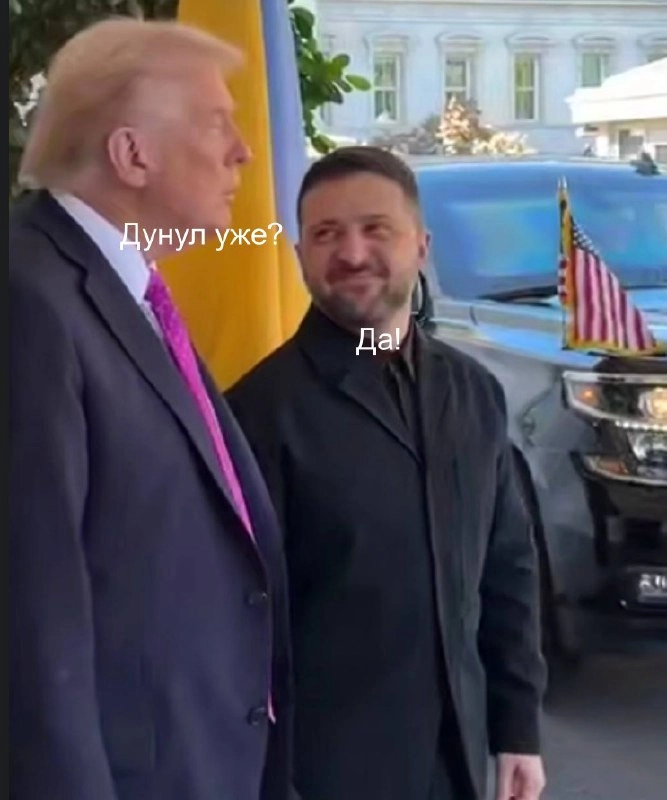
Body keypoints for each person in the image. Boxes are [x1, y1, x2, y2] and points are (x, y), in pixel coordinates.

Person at [10, 18, 293, 800]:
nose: (243, 151)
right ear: (132, 154)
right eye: (216, 122)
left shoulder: (126, 294)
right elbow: (32, 612)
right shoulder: (28, 300)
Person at [226, 146, 548, 800]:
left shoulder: (474, 392)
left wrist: (517, 730)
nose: (351, 253)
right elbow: (236, 626)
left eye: (376, 229)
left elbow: (506, 569)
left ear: (421, 245)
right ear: (299, 256)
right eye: (326, 234)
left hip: (458, 764)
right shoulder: (255, 414)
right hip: (320, 775)